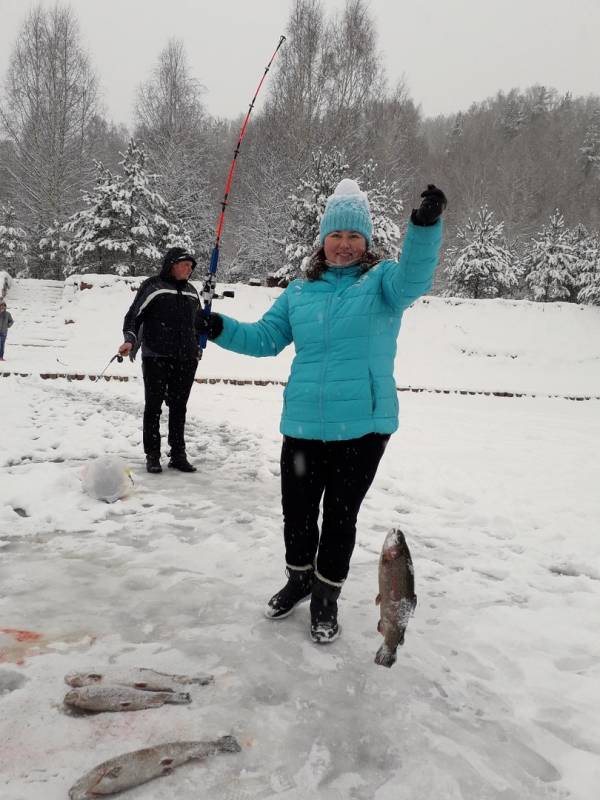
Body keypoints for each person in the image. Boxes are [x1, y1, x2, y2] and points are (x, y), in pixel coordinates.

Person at [199, 179, 446, 644]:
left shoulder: (384, 284)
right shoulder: (299, 292)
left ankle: (326, 598)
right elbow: (264, 339)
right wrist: (217, 326)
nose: (345, 245)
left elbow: (416, 275)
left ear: (367, 242)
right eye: (337, 235)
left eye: (354, 236)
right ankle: (299, 579)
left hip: (363, 427)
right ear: (323, 240)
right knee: (297, 513)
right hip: (304, 426)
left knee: (339, 517)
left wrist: (425, 225)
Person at [118, 247, 204, 474]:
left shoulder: (192, 291)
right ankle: (153, 455)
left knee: (179, 408)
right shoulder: (153, 286)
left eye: (191, 266)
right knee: (153, 407)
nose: (189, 269)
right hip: (156, 355)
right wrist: (129, 340)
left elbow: (199, 323)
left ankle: (178, 454)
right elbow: (133, 316)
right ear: (172, 265)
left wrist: (199, 343)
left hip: (186, 358)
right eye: (185, 264)